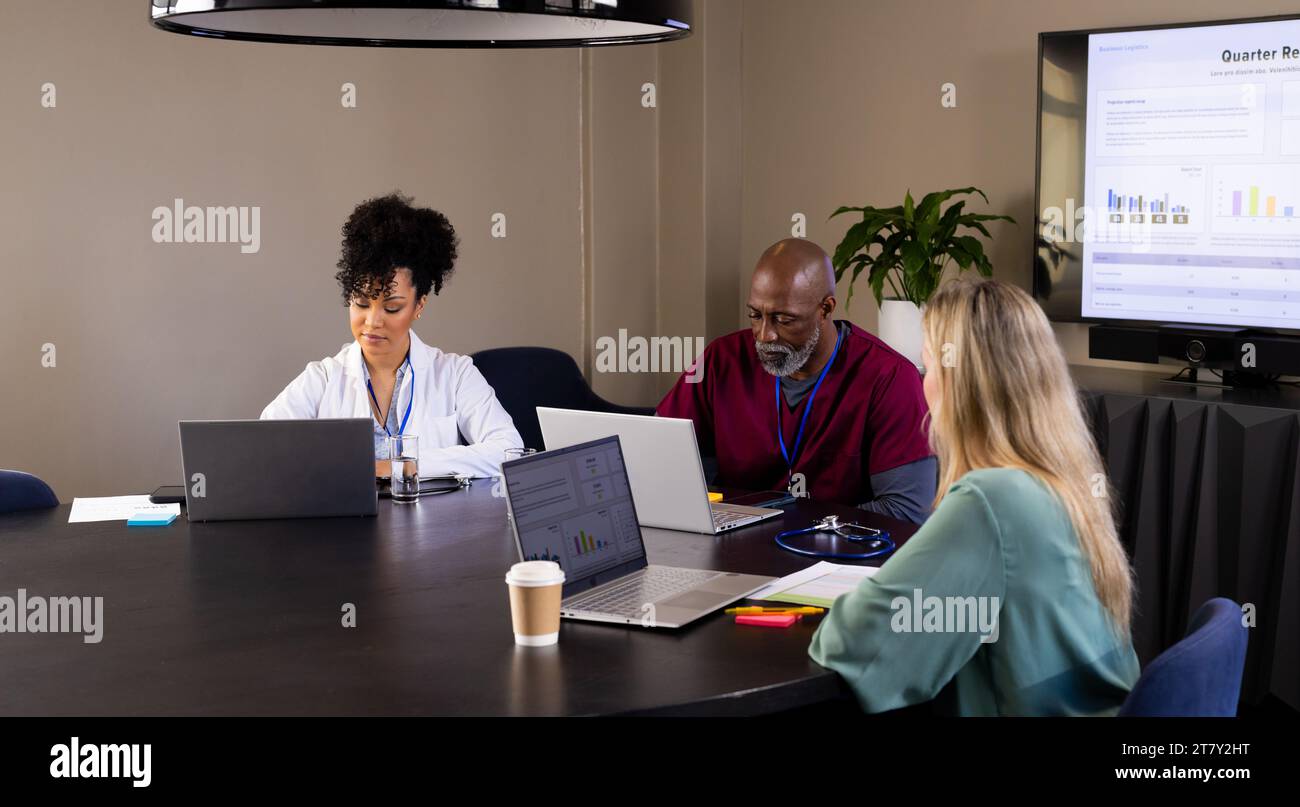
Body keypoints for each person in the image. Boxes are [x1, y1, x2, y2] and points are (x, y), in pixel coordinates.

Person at [808, 277, 1140, 715]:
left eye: (928, 366)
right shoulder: (1064, 480)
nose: (924, 386)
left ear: (955, 382)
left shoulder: (992, 500)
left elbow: (853, 646)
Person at [656, 238, 935, 524]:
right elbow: (657, 457)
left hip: (839, 558)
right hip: (734, 551)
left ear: (825, 309)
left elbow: (906, 512)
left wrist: (792, 527)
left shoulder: (889, 378)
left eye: (783, 320)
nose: (765, 335)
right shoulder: (721, 360)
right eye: (755, 315)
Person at [261, 192, 522, 478]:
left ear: (419, 304)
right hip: (350, 524)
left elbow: (507, 450)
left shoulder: (455, 375)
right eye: (361, 303)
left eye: (392, 307)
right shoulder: (322, 379)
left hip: (435, 522)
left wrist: (407, 466)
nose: (372, 321)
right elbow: (264, 445)